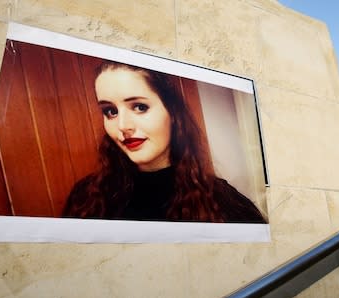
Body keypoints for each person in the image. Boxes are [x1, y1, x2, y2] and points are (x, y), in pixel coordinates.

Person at [63, 60, 267, 223]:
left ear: (172, 113)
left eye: (140, 107)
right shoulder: (87, 198)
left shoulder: (221, 200)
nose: (123, 126)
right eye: (110, 111)